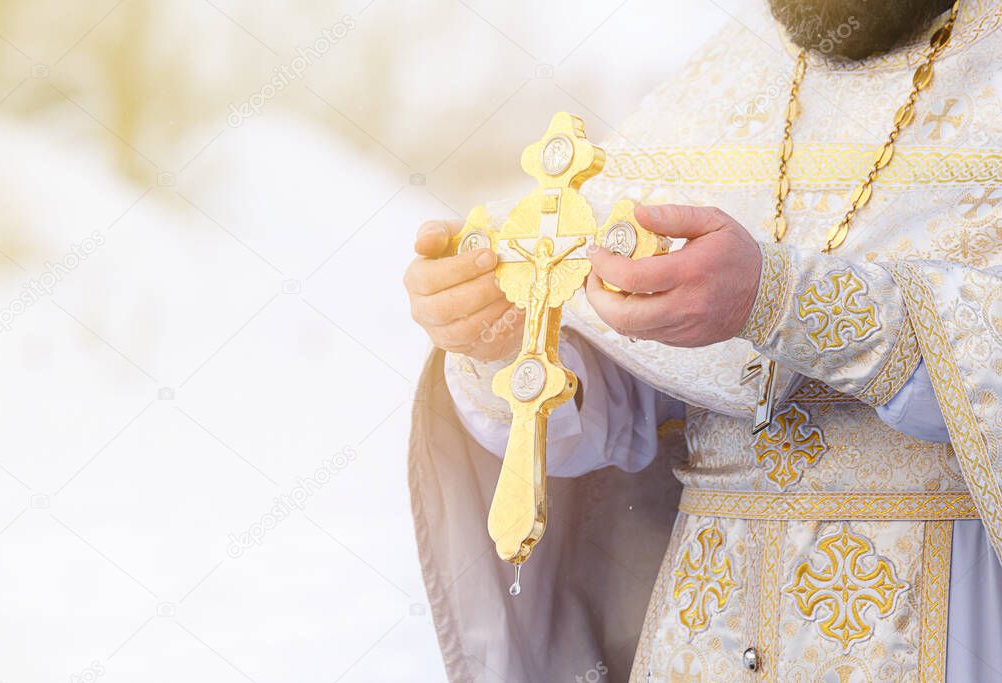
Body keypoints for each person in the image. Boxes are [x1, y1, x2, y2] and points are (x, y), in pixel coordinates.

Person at [403, 0, 1002, 680]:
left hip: (945, 616)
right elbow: (623, 410)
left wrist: (779, 299)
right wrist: (506, 343)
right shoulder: (731, 71)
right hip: (703, 628)